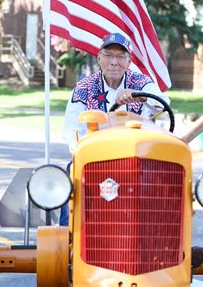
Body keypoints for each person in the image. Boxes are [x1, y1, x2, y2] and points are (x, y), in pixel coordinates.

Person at [61, 32, 170, 225]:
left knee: (165, 181)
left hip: (139, 158)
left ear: (129, 61)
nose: (114, 62)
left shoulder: (141, 82)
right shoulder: (84, 87)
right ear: (99, 59)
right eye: (109, 55)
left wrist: (141, 96)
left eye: (120, 57)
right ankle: (69, 233)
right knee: (71, 175)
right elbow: (72, 130)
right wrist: (83, 154)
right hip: (97, 157)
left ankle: (160, 230)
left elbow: (164, 103)